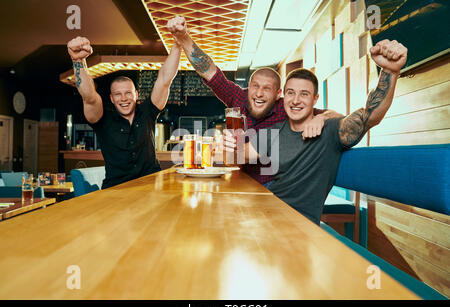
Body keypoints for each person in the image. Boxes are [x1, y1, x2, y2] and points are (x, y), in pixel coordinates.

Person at [223, 39, 407, 225]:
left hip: (299, 227)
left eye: (304, 94)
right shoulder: (273, 133)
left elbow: (370, 116)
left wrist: (390, 72)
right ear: (283, 96)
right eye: (290, 93)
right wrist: (229, 145)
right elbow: (239, 155)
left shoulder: (331, 130)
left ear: (315, 99)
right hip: (264, 215)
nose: (295, 100)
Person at [166, 16, 343, 186]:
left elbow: (338, 117)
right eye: (255, 86)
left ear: (277, 94)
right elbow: (209, 71)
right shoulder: (238, 97)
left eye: (267, 89)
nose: (258, 93)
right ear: (248, 87)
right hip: (241, 182)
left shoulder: (287, 107)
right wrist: (183, 37)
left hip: (274, 187)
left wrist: (322, 118)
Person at [67, 36, 181, 189]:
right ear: (111, 98)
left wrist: (179, 43)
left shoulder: (147, 112)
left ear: (136, 94)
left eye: (128, 93)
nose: (123, 99)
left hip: (151, 189)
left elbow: (165, 80)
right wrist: (78, 61)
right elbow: (89, 96)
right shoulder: (103, 118)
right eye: (118, 94)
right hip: (116, 191)